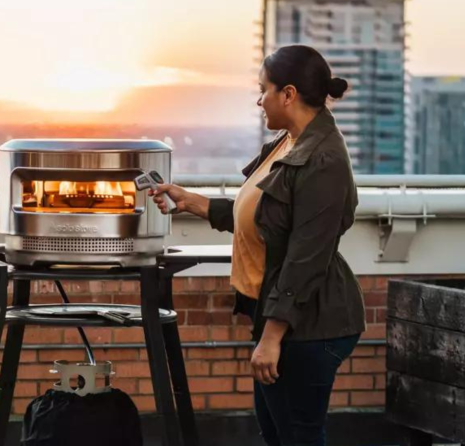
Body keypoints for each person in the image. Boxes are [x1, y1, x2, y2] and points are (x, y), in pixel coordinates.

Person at [151, 45, 366, 446]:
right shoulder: (289, 142)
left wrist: (272, 338)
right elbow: (261, 217)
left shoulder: (323, 160)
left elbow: (306, 257)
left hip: (309, 324)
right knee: (275, 431)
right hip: (279, 317)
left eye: (263, 89)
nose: (259, 99)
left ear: (288, 94)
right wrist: (191, 202)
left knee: (297, 436)